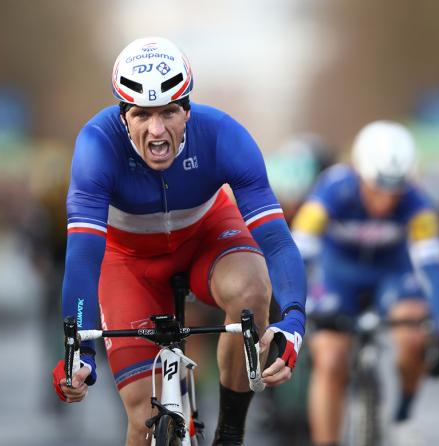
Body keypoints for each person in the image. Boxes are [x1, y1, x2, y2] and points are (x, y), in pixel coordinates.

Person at [50, 36, 307, 446]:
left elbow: (275, 240)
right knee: (141, 416)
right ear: (123, 116)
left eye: (169, 112)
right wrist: (78, 352)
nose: (157, 131)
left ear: (187, 110)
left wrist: (293, 320)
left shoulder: (223, 135)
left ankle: (231, 433)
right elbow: (82, 259)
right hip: (130, 261)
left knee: (251, 290)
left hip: (208, 237)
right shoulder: (96, 147)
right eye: (142, 115)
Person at [291, 120, 439, 446]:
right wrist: (293, 304)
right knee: (331, 358)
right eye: (378, 186)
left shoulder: (417, 202)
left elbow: (434, 265)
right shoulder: (332, 188)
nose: (386, 199)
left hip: (391, 274)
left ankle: (404, 415)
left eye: (396, 188)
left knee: (412, 337)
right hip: (337, 275)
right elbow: (300, 249)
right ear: (359, 171)